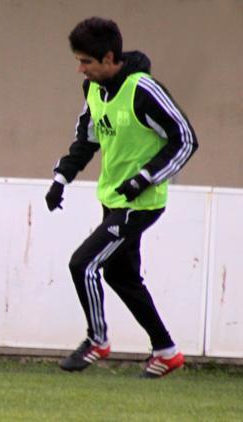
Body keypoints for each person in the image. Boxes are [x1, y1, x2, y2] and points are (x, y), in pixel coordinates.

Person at [45, 17, 198, 378]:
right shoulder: (93, 89)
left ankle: (97, 340)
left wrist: (144, 179)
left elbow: (186, 139)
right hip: (113, 199)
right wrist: (61, 179)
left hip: (140, 204)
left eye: (86, 62)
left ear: (109, 58)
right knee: (121, 276)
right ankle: (166, 351)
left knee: (82, 264)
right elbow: (87, 138)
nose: (80, 69)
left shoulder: (143, 90)